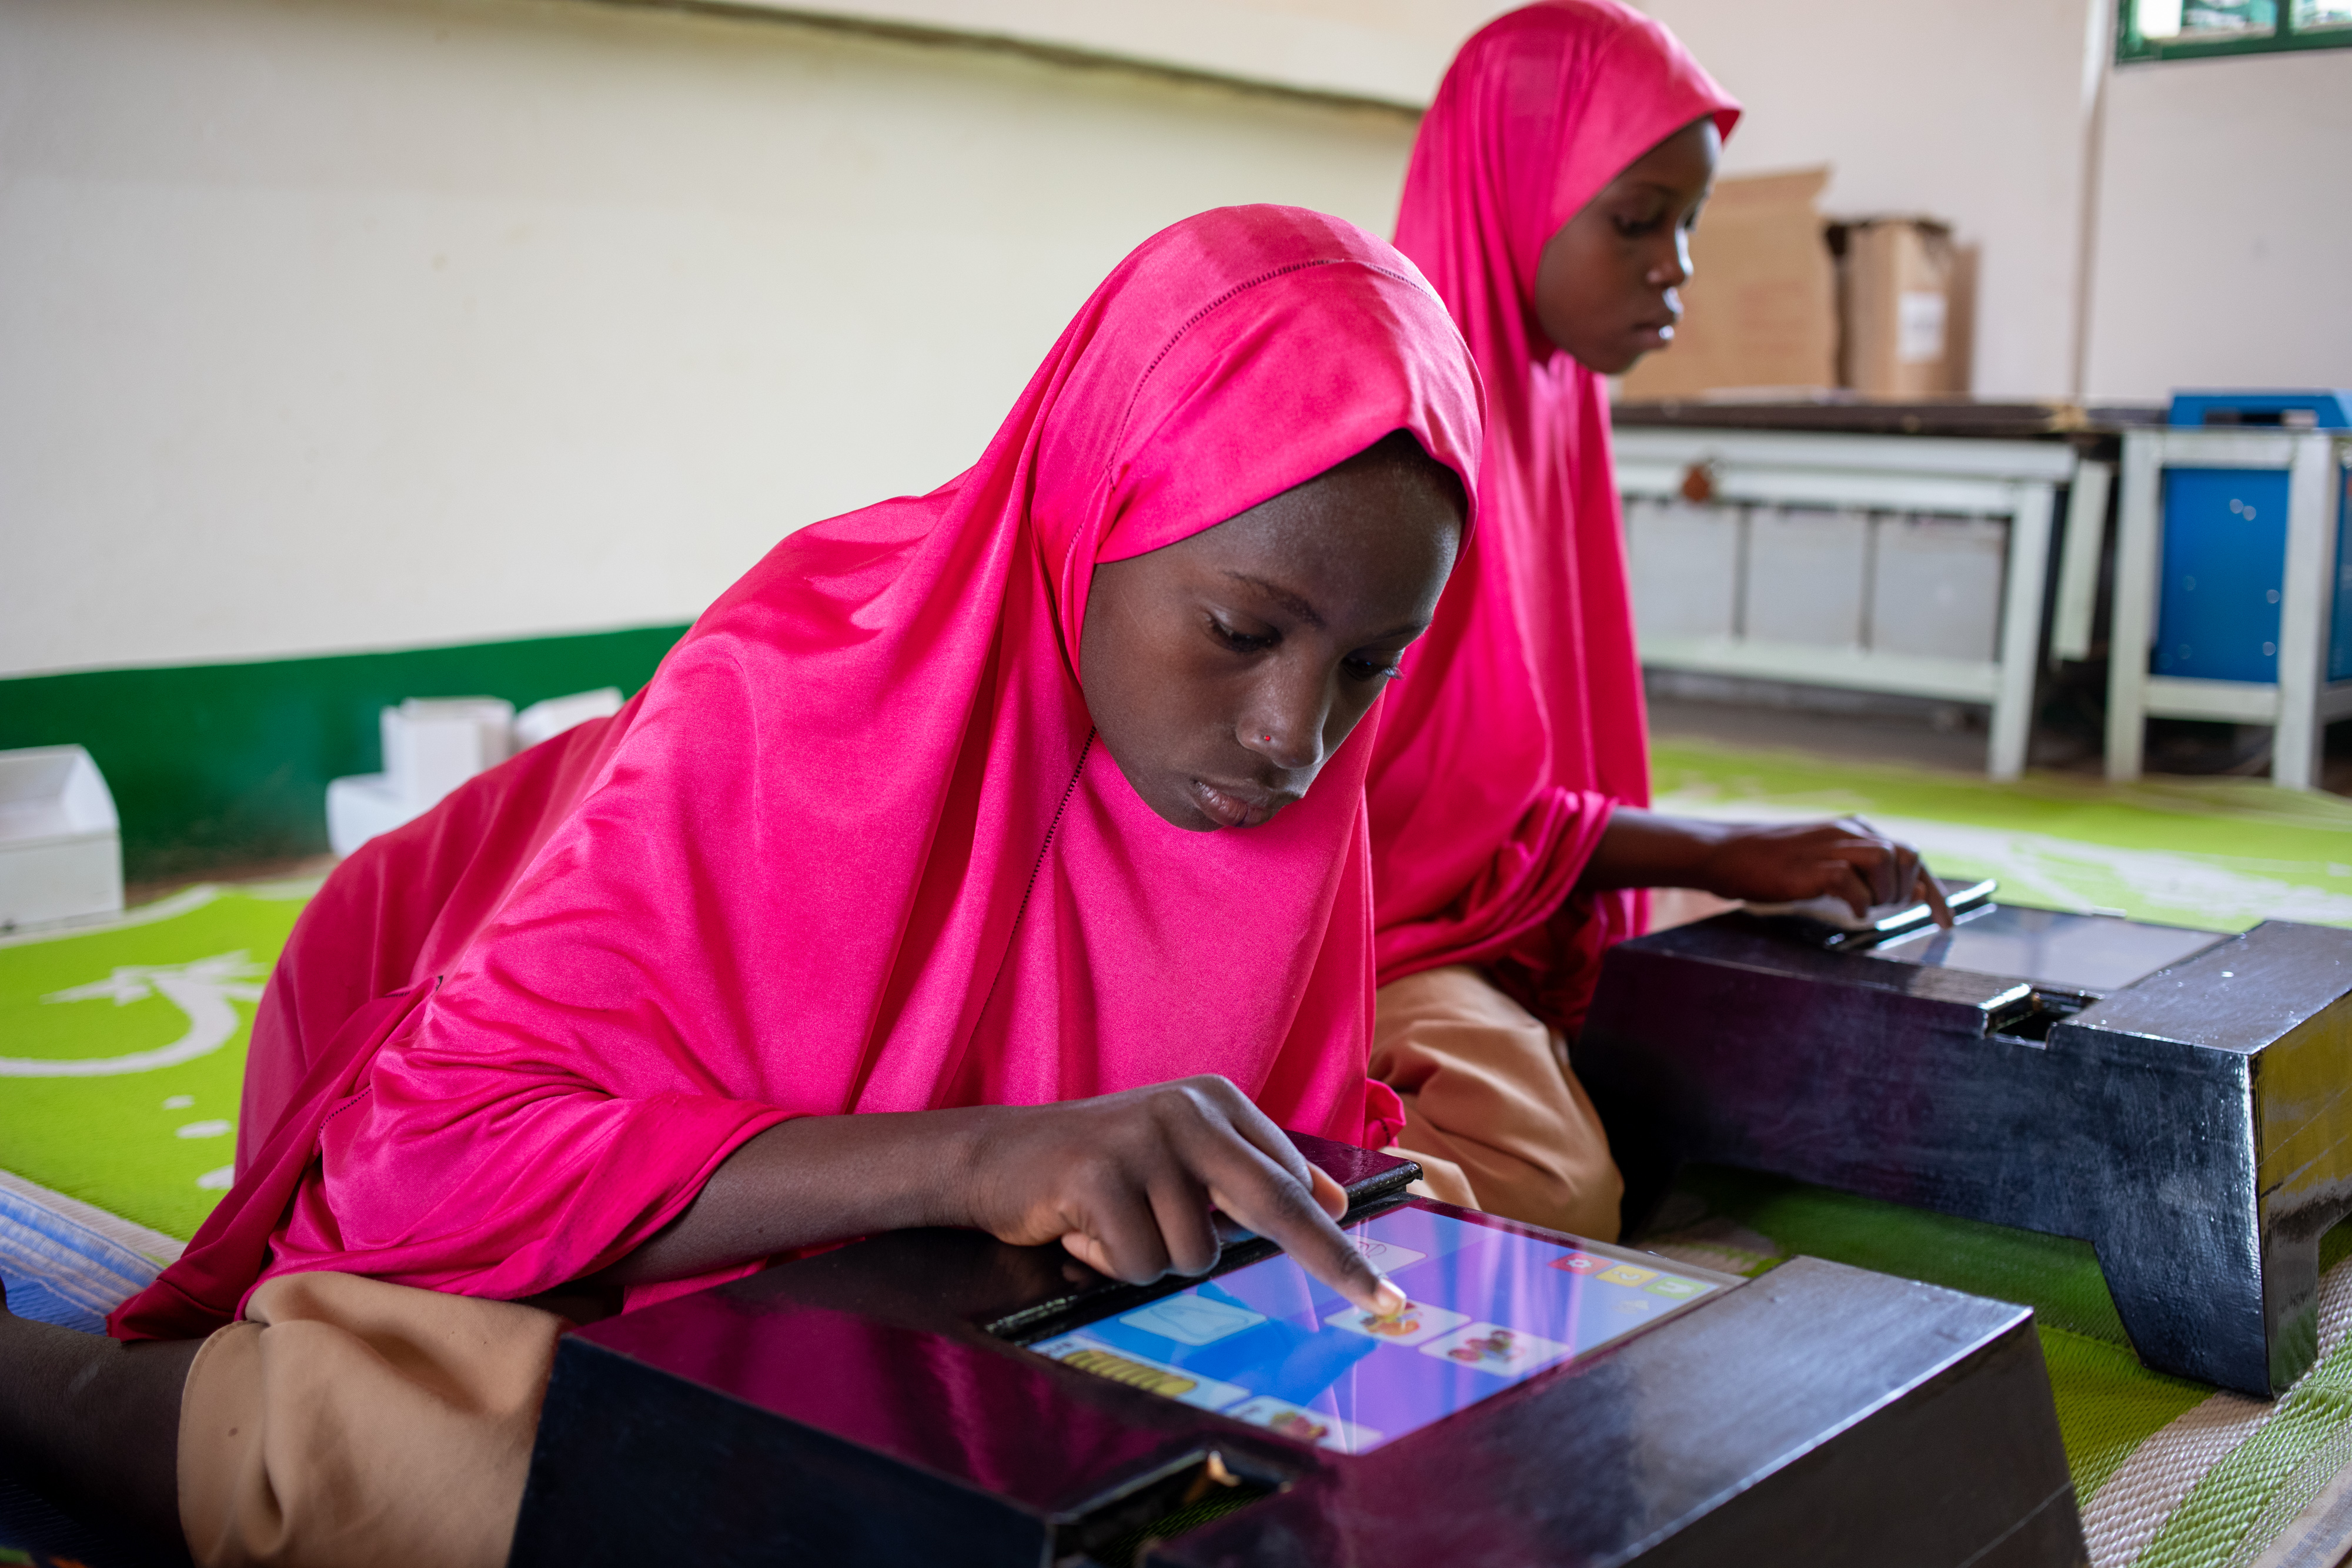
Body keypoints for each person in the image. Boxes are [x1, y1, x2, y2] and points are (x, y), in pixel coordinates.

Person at [0, 203, 1482, 1568]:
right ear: (1093, 512)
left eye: (1370, 667)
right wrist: (974, 1158)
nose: (1296, 737)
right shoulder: (792, 693)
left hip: (892, 1263)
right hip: (482, 1066)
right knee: (453, 1454)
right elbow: (430, 1155)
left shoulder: (1281, 779)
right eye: (1236, 629)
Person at [1366, 0, 1949, 1241]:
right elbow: (1409, 832)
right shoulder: (1403, 429)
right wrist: (1706, 849)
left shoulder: (1549, 389)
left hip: (1492, 899)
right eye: (1634, 222)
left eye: (1685, 224)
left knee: (1792, 966)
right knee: (1551, 1193)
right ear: (1511, 194)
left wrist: (1724, 860)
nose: (1672, 264)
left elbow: (1510, 791)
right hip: (1370, 930)